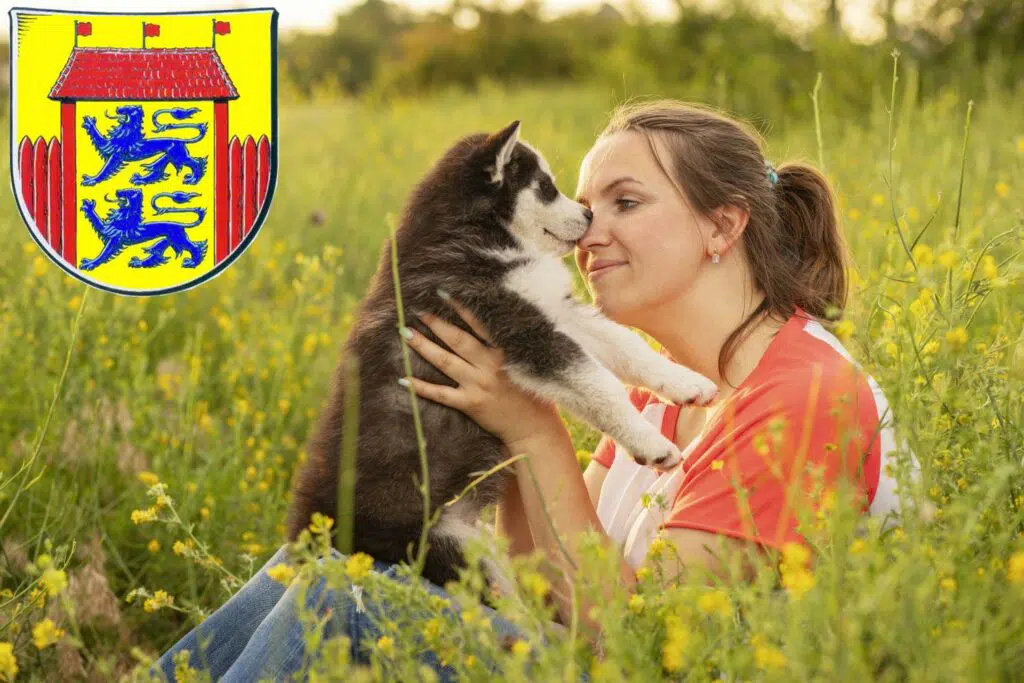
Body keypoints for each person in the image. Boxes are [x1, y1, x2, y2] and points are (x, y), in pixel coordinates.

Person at [152, 100, 913, 681]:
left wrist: (534, 427)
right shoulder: (666, 393)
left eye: (626, 202)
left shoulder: (800, 394)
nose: (585, 231)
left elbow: (646, 646)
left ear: (723, 226)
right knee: (317, 565)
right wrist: (473, 413)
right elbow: (546, 577)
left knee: (341, 603)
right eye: (587, 203)